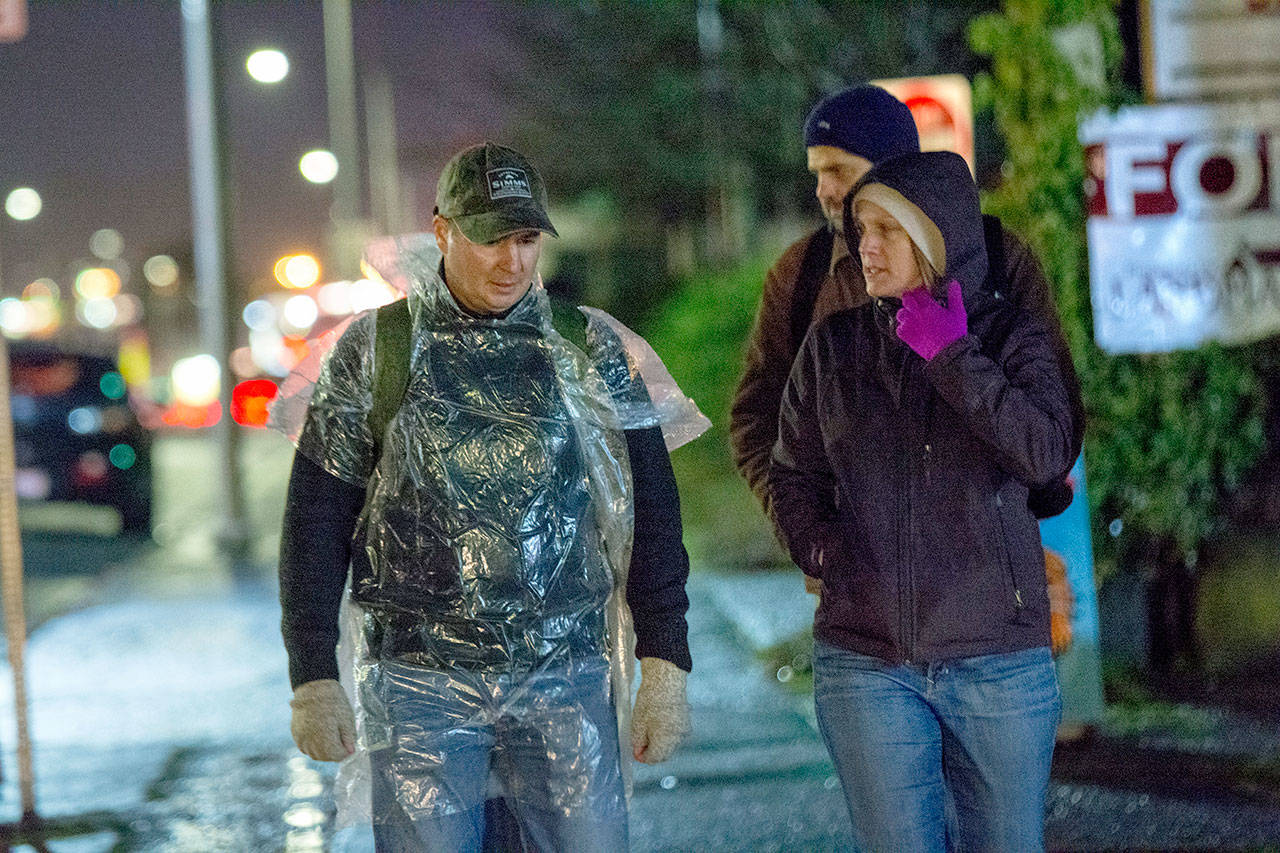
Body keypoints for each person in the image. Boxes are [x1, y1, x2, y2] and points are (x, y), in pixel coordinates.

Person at [277, 142, 694, 851]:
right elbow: (318, 518)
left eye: (528, 239)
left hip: (566, 675)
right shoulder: (377, 352)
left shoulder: (585, 349)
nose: (513, 261)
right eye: (491, 239)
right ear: (442, 232)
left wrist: (664, 663)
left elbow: (649, 512)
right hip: (420, 686)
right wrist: (313, 673)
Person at [769, 149, 1076, 851]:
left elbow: (1044, 452)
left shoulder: (1008, 337)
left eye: (887, 231)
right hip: (866, 659)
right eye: (861, 230)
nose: (865, 248)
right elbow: (793, 474)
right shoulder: (834, 345)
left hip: (997, 655)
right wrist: (823, 549)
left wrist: (953, 357)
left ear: (936, 235)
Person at [730, 85, 1082, 561]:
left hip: (985, 578)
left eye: (838, 170)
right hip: (855, 586)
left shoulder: (998, 257)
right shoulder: (800, 275)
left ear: (894, 171)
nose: (823, 190)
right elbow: (756, 418)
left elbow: (1053, 411)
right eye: (816, 173)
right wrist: (810, 535)